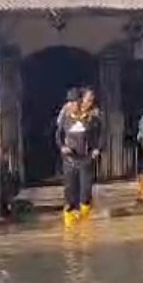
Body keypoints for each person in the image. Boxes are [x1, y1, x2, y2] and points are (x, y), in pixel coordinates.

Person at [56, 87, 102, 227]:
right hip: (69, 161)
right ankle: (70, 229)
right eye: (69, 103)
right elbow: (58, 136)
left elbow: (100, 135)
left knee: (85, 195)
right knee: (70, 195)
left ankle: (85, 228)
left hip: (85, 160)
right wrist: (62, 147)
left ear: (80, 103)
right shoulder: (65, 118)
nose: (71, 105)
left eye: (74, 102)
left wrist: (97, 149)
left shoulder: (91, 119)